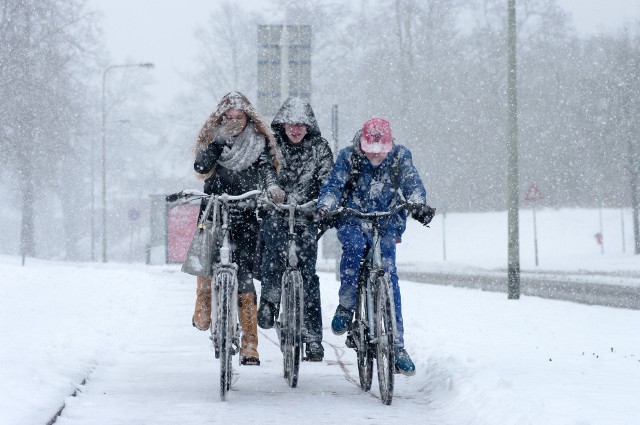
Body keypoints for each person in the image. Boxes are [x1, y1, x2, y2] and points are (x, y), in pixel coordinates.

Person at [317, 117, 433, 376]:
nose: (376, 157)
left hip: (387, 221)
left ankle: (398, 346)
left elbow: (412, 183)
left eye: (381, 153)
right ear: (363, 145)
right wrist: (326, 206)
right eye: (371, 152)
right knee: (354, 251)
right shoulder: (349, 158)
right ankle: (347, 304)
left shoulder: (401, 157)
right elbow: (333, 186)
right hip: (353, 218)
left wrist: (418, 204)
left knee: (389, 276)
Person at [192, 91, 282, 366]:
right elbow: (201, 166)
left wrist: (272, 187)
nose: (233, 122)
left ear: (248, 118)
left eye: (238, 117)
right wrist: (218, 141)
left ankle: (250, 343)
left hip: (245, 209)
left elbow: (267, 169)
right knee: (205, 259)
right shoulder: (213, 140)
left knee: (243, 274)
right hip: (215, 208)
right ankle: (204, 307)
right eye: (228, 118)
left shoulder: (258, 141)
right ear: (221, 118)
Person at [257, 97, 334, 361]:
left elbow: (328, 178)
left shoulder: (320, 148)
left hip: (306, 215)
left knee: (308, 273)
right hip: (276, 212)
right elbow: (265, 170)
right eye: (291, 123)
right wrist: (272, 189)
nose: (296, 129)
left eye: (301, 124)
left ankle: (313, 337)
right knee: (274, 250)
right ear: (283, 123)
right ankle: (269, 300)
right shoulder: (273, 144)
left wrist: (325, 203)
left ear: (308, 125)